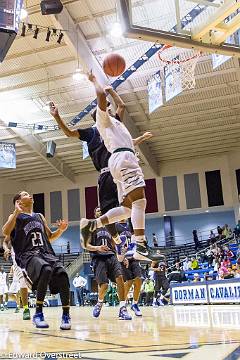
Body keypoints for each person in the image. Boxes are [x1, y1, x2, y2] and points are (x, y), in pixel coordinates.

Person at [80, 71, 161, 262]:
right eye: (106, 106)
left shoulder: (116, 124)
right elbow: (100, 97)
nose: (108, 107)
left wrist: (112, 91)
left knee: (127, 208)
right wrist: (95, 81)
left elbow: (122, 106)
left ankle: (93, 224)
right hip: (124, 160)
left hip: (120, 160)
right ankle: (140, 244)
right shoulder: (103, 120)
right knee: (140, 201)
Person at [49, 102, 151, 246]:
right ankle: (117, 239)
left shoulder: (113, 126)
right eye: (106, 110)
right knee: (116, 208)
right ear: (98, 115)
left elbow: (127, 136)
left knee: (132, 206)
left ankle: (135, 239)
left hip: (118, 170)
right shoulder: (91, 132)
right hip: (109, 172)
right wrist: (57, 116)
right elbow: (69, 133)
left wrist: (141, 138)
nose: (109, 111)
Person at [2, 191, 71, 330]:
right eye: (25, 194)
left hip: (45, 252)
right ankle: (38, 314)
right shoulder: (16, 216)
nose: (30, 195)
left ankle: (65, 315)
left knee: (63, 274)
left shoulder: (39, 216)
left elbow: (49, 237)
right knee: (45, 269)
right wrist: (16, 212)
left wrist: (61, 230)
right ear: (19, 201)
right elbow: (5, 231)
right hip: (29, 255)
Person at [86, 207, 132, 320]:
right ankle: (99, 302)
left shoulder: (110, 226)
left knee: (120, 278)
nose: (100, 211)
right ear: (94, 213)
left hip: (112, 256)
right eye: (97, 210)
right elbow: (86, 245)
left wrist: (122, 257)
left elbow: (114, 243)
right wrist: (98, 247)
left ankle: (122, 308)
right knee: (105, 285)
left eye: (101, 210)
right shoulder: (91, 227)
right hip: (98, 258)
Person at [116, 220, 142, 317]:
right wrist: (121, 257)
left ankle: (135, 304)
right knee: (128, 282)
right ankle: (122, 306)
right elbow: (115, 244)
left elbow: (135, 239)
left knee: (139, 280)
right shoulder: (116, 226)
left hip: (134, 257)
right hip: (123, 258)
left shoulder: (130, 224)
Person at [3, 236, 31, 320]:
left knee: (24, 286)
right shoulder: (12, 226)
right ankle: (22, 306)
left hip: (29, 256)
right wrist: (6, 249)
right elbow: (5, 241)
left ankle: (22, 306)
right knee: (11, 293)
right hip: (16, 279)